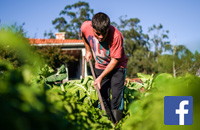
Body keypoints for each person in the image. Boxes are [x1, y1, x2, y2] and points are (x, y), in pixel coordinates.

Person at [81, 12, 128, 123]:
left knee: (116, 96)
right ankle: (106, 123)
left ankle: (117, 124)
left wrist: (100, 77)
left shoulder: (116, 35)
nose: (101, 37)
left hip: (117, 67)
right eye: (98, 34)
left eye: (104, 33)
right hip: (100, 65)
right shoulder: (86, 27)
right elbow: (83, 35)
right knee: (102, 95)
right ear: (92, 27)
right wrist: (88, 50)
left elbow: (114, 60)